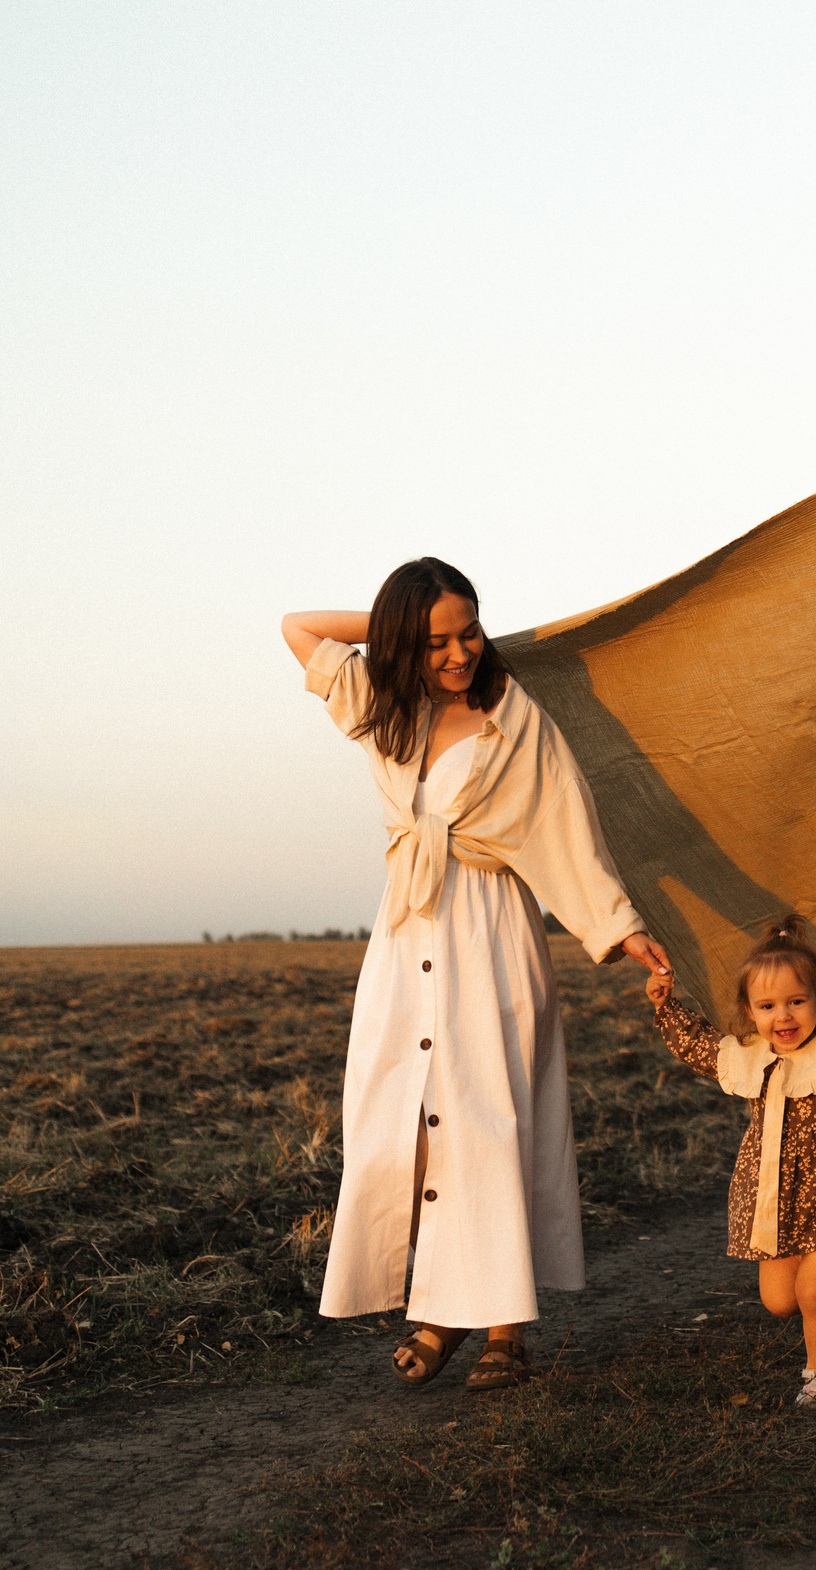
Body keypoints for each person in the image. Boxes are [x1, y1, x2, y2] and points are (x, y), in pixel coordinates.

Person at [283, 559, 671, 1392]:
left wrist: (621, 927)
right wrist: (392, 629)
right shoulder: (385, 710)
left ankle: (502, 1328)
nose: (460, 653)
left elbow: (568, 819)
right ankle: (443, 1307)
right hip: (403, 938)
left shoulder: (512, 718)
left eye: (470, 631)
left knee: (489, 1121)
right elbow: (298, 629)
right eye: (437, 641)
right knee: (406, 1124)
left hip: (490, 931)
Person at [644, 915, 816, 1412]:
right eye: (768, 1006)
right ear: (750, 1012)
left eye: (797, 1001)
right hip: (776, 1193)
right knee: (781, 1301)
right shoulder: (748, 1055)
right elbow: (700, 1047)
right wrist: (668, 1008)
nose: (785, 1016)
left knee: (814, 1292)